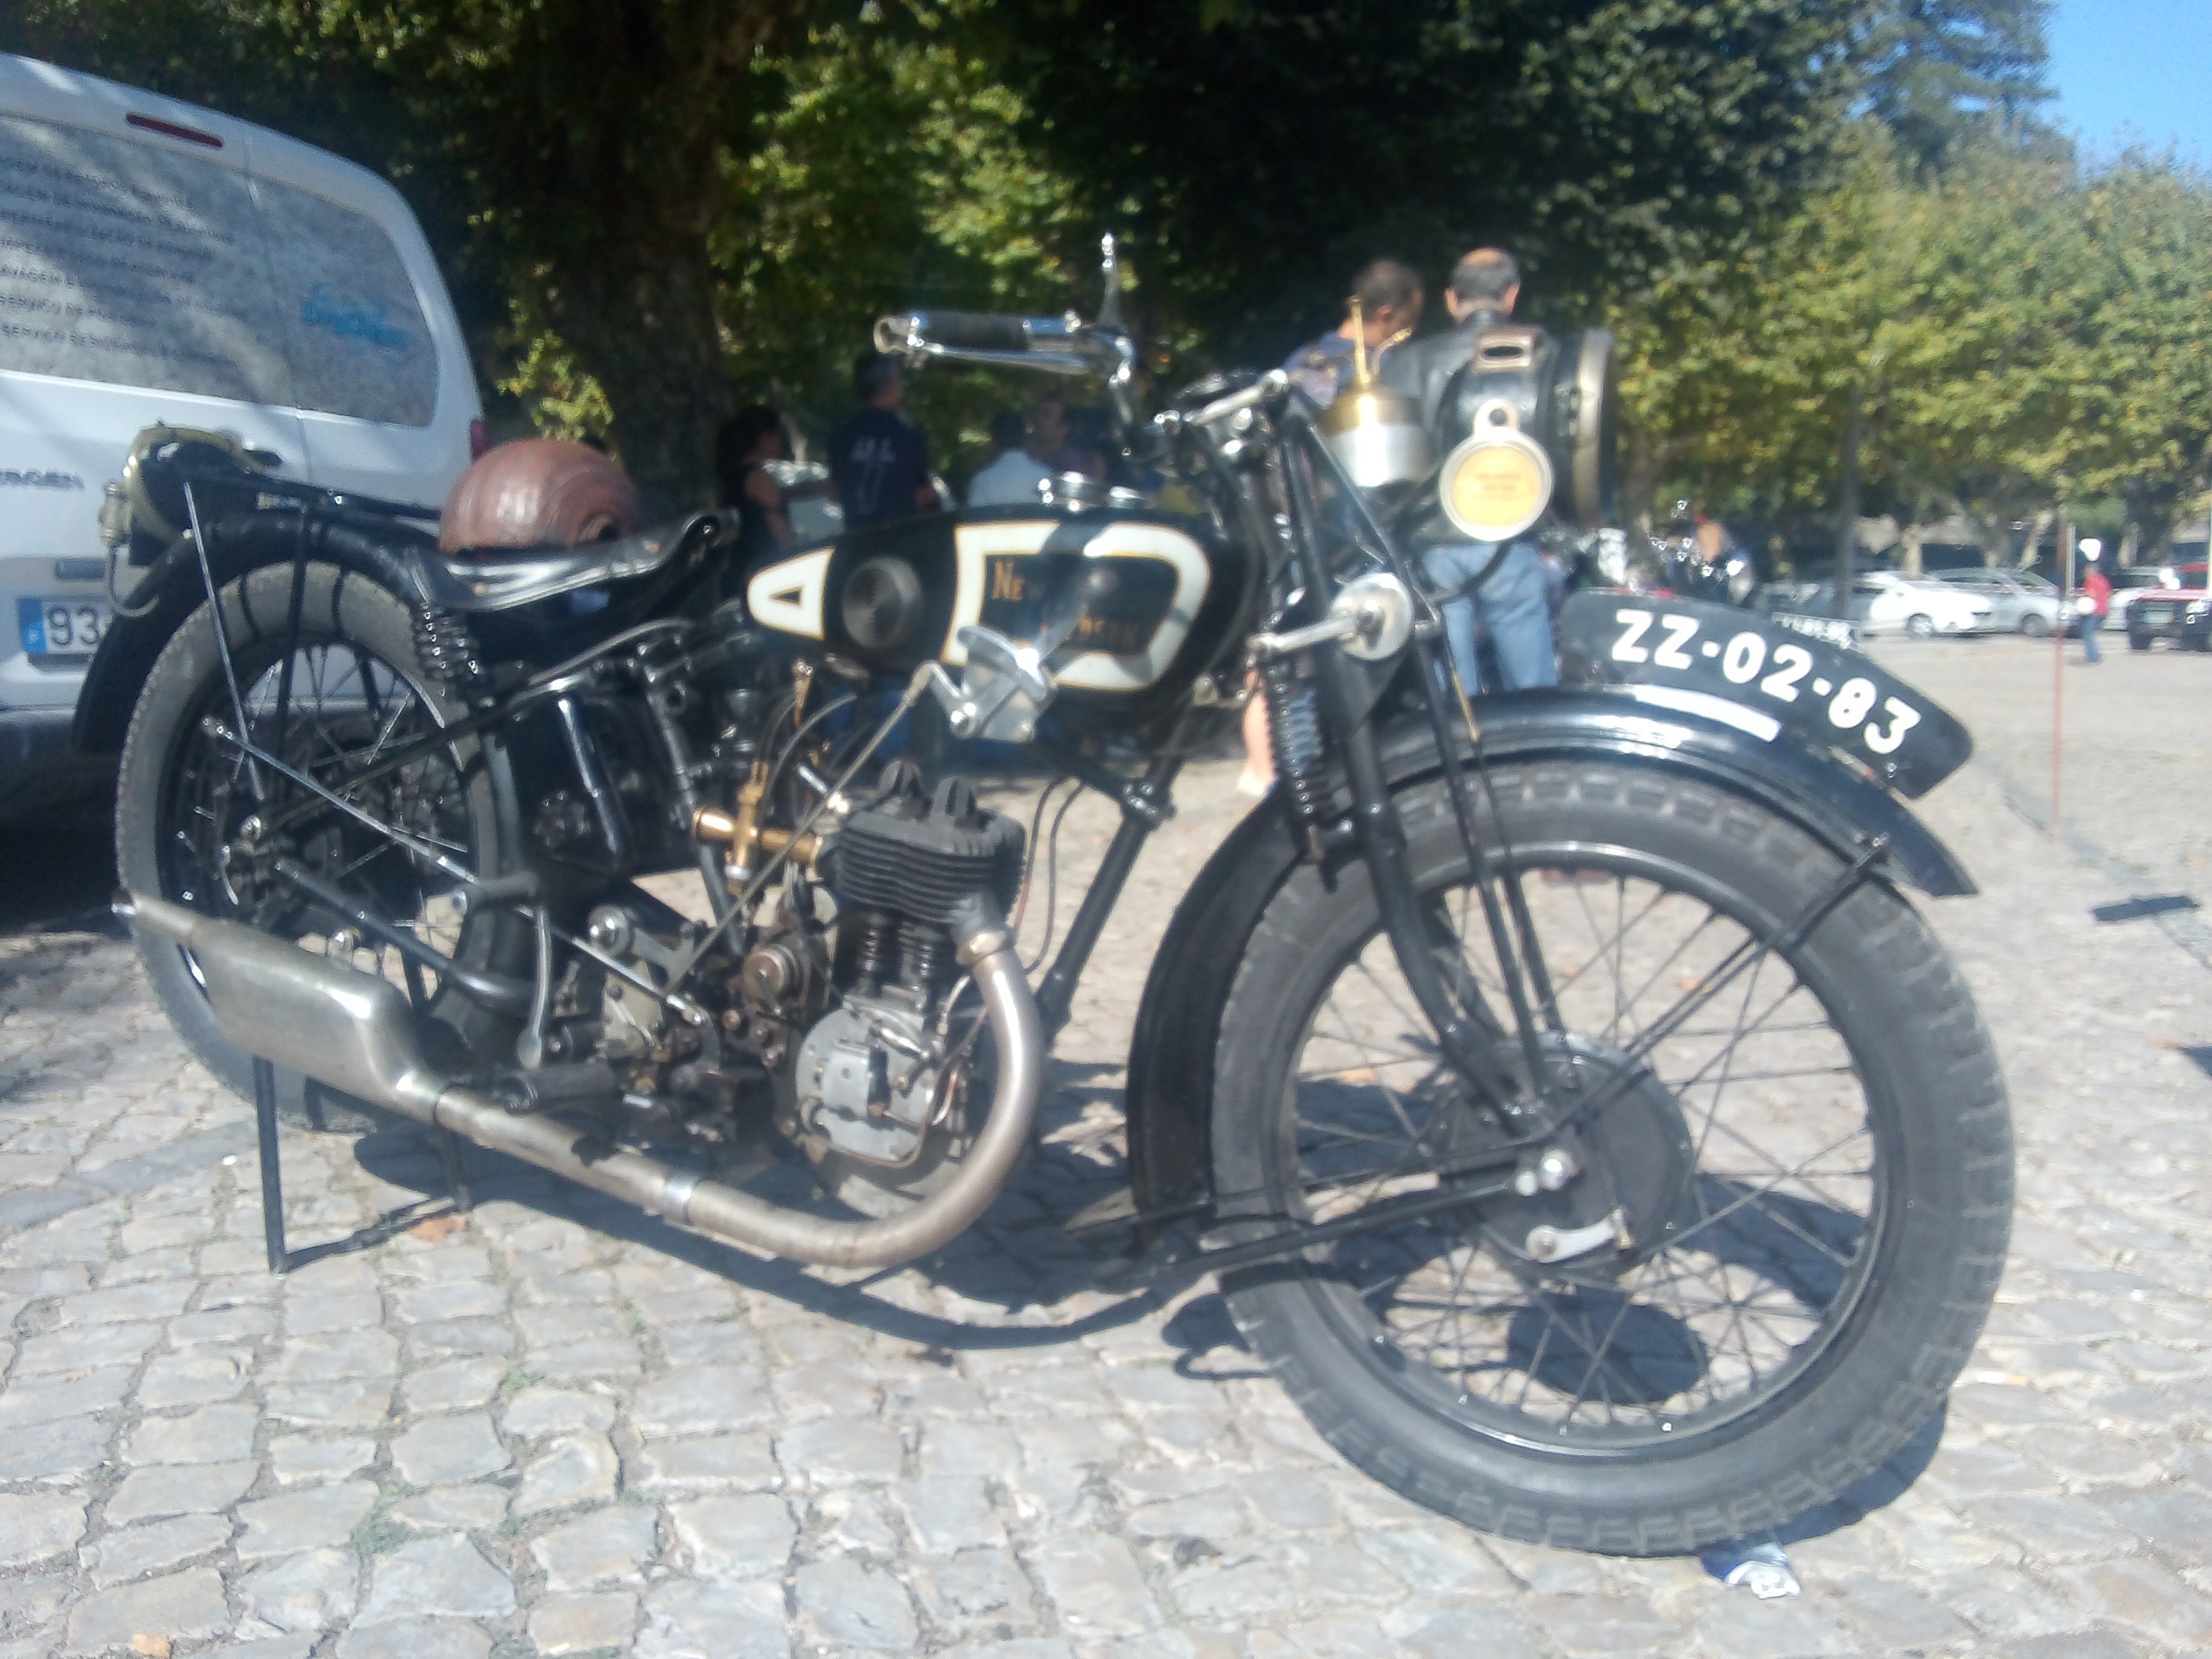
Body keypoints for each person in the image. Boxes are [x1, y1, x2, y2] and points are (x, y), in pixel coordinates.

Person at [1385, 246, 1557, 694]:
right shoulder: (1546, 355)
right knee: (1532, 688)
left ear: (1451, 298)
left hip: (1432, 538)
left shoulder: (1406, 362)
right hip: (1509, 535)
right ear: (1512, 295)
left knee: (1453, 697)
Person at [1283, 258, 1425, 407]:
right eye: (1411, 321)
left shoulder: (1297, 360)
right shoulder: (1387, 368)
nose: (1413, 330)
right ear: (1386, 316)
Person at [830, 351, 940, 530]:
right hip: (899, 543)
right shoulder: (910, 437)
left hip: (857, 544)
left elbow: (836, 491)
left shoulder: (841, 438)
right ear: (890, 385)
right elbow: (924, 496)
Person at [715, 404, 793, 572]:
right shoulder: (760, 479)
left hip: (738, 570)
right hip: (765, 569)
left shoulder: (731, 480)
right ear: (765, 437)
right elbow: (781, 533)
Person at [966, 409, 1052, 508]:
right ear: (1024, 438)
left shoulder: (982, 481)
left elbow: (975, 519)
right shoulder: (1047, 477)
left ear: (994, 440)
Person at [1028, 394, 1103, 481]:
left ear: (1064, 428)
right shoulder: (1020, 455)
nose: (1038, 418)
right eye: (1037, 412)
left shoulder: (1073, 465)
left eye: (1047, 415)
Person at [2080, 539, 2110, 663]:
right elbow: (2108, 594)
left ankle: (2093, 655)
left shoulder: (2090, 581)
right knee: (2090, 633)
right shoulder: (2103, 580)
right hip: (2103, 610)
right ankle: (2094, 654)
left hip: (2094, 611)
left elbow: (2091, 595)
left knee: (2087, 633)